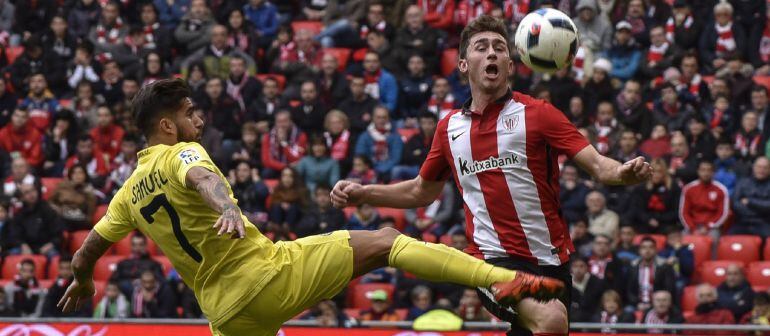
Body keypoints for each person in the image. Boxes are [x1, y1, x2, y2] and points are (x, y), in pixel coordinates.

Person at [58, 79, 564, 336]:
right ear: (166, 126)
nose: (198, 120)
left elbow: (87, 254)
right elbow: (202, 175)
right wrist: (225, 206)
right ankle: (498, 279)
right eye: (189, 113)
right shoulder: (180, 153)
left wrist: (82, 279)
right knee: (386, 242)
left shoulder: (128, 191)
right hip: (262, 277)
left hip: (224, 315)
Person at [332, 15, 651, 336]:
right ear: (463, 65)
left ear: (511, 65)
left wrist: (623, 172)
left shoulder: (539, 114)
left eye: (499, 48)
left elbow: (598, 164)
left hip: (552, 264)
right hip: (490, 263)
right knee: (551, 320)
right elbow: (421, 192)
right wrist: (364, 192)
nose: (491, 54)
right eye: (481, 48)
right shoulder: (449, 128)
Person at [7, 184, 62, 257]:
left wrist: (50, 245)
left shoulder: (48, 210)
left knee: (54, 256)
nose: (31, 194)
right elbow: (15, 236)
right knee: (10, 255)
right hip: (26, 247)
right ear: (22, 197)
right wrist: (23, 245)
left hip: (47, 247)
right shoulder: (19, 215)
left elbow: (58, 234)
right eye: (27, 192)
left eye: (33, 190)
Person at [679, 160, 730, 238]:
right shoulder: (688, 189)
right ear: (698, 171)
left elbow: (723, 213)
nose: (706, 173)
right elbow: (684, 213)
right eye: (703, 170)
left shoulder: (721, 190)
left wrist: (708, 226)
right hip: (693, 225)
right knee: (683, 237)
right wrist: (693, 228)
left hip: (712, 227)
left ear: (713, 173)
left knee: (714, 237)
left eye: (709, 170)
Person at [625, 237, 676, 313]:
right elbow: (629, 291)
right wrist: (637, 304)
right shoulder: (632, 267)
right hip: (637, 304)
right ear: (639, 251)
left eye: (651, 247)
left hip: (659, 305)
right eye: (644, 247)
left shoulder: (664, 267)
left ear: (656, 250)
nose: (647, 250)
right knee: (627, 311)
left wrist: (654, 304)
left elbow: (668, 289)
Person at [731, 156, 770, 238]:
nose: (761, 170)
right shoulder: (742, 182)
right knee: (728, 242)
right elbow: (735, 204)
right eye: (759, 167)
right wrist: (757, 210)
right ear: (753, 167)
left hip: (764, 223)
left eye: (765, 168)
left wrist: (749, 202)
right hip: (742, 221)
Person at [569, 256, 606, 322]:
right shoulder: (567, 283)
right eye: (575, 266)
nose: (578, 269)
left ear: (587, 268)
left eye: (581, 266)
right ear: (571, 268)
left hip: (593, 314)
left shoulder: (596, 281)